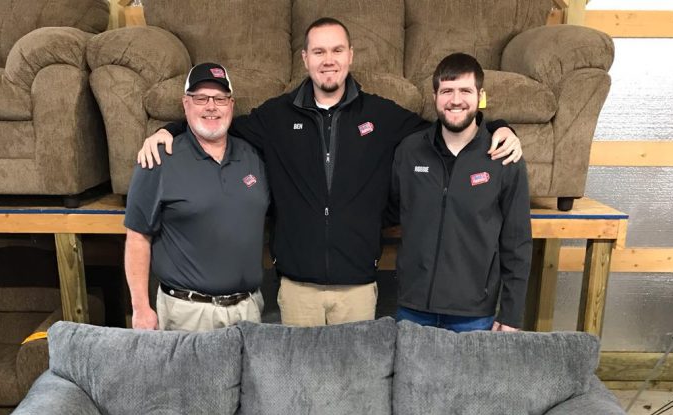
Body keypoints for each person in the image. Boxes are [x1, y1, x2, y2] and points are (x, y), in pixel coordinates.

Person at [136, 18, 523, 326]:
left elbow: (446, 122)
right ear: (304, 58)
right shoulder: (276, 116)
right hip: (297, 286)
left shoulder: (382, 115)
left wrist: (499, 125)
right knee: (300, 388)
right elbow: (217, 120)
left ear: (351, 55)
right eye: (318, 51)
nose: (328, 59)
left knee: (353, 389)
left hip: (357, 286)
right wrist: (167, 130)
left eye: (337, 50)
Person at [391, 53, 531, 333]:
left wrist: (512, 315)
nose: (455, 100)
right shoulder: (409, 151)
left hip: (473, 315)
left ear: (481, 96)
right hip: (413, 309)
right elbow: (391, 209)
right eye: (447, 91)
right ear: (435, 96)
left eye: (465, 90)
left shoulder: (503, 157)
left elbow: (517, 243)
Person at [124, 62, 269, 332]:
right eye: (201, 98)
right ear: (185, 104)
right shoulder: (157, 159)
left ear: (231, 104)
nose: (211, 106)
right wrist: (141, 308)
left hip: (248, 310)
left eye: (220, 99)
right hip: (187, 314)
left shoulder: (254, 156)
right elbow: (137, 238)